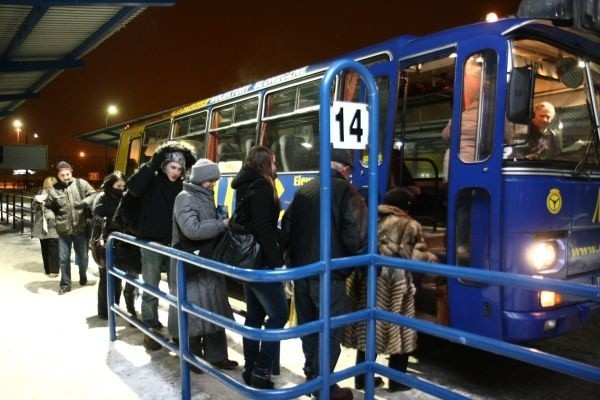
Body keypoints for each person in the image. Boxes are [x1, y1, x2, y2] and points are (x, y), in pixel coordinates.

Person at [282, 148, 368, 400]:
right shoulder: (346, 191)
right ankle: (325, 386)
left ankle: (312, 374)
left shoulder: (305, 190)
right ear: (345, 169)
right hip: (329, 274)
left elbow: (286, 228)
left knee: (309, 325)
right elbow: (357, 234)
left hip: (302, 270)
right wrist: (368, 268)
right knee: (330, 329)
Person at [342, 187, 437, 393]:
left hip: (369, 280)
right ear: (405, 207)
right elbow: (416, 258)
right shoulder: (410, 225)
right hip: (395, 285)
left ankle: (361, 379)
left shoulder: (371, 220)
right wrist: (433, 259)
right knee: (400, 331)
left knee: (369, 330)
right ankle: (397, 381)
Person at [119, 141, 195, 351]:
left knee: (176, 290)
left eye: (180, 169)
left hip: (175, 245)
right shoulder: (150, 178)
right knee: (151, 288)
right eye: (173, 167)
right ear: (164, 165)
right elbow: (132, 189)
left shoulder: (182, 184)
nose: (176, 172)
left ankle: (176, 330)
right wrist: (152, 164)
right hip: (151, 242)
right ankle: (150, 329)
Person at [168, 159, 238, 373]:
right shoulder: (184, 198)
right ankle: (192, 357)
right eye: (210, 180)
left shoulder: (204, 195)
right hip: (190, 264)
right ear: (199, 179)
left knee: (213, 309)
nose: (213, 184)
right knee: (194, 312)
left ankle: (217, 357)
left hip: (206, 261)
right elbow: (192, 229)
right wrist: (222, 224)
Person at [230, 146, 288, 389]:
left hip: (248, 262)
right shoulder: (263, 188)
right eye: (274, 163)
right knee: (279, 314)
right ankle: (262, 371)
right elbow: (263, 229)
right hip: (261, 262)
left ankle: (250, 367)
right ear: (265, 164)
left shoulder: (245, 185)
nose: (276, 167)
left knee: (254, 316)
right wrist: (278, 262)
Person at [91, 171, 139, 320]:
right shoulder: (102, 197)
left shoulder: (126, 198)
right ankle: (105, 311)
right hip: (106, 242)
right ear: (111, 185)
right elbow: (97, 217)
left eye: (123, 186)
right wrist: (112, 221)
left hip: (124, 243)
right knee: (107, 278)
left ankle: (116, 308)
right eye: (118, 186)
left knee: (122, 276)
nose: (121, 189)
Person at [44, 161, 97, 295]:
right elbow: (47, 207)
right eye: (62, 175)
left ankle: (82, 276)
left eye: (67, 174)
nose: (66, 177)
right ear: (58, 175)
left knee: (83, 257)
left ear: (71, 171)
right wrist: (51, 218)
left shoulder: (81, 183)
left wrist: (84, 203)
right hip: (63, 230)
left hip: (80, 227)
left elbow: (93, 194)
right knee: (63, 259)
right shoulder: (53, 190)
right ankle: (65, 284)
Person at [32, 176, 59, 277]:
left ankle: (55, 270)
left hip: (53, 223)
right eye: (46, 187)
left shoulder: (58, 193)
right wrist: (37, 201)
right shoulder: (40, 192)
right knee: (44, 248)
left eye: (49, 187)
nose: (47, 189)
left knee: (54, 247)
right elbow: (33, 207)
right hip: (41, 224)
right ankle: (47, 269)